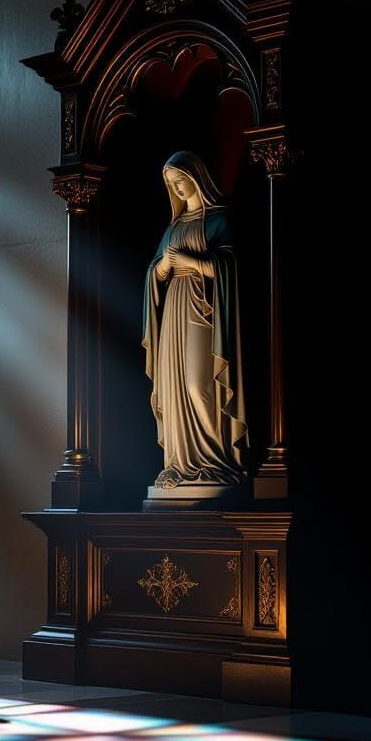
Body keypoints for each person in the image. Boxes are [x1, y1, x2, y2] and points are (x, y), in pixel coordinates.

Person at [142, 150, 247, 492]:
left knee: (197, 385)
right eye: (172, 184)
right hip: (174, 308)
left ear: (196, 177)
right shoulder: (173, 226)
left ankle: (214, 461)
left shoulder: (219, 219)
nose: (177, 188)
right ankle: (179, 464)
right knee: (174, 390)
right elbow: (154, 274)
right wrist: (163, 267)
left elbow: (230, 268)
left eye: (181, 180)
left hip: (203, 310)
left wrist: (191, 261)